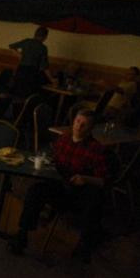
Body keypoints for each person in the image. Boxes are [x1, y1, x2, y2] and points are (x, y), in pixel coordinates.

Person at [8, 109, 108, 263]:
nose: (79, 126)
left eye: (84, 124)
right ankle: (22, 234)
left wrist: (86, 179)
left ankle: (84, 245)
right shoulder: (64, 139)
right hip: (60, 186)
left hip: (80, 192)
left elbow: (103, 180)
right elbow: (54, 160)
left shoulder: (95, 148)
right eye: (77, 122)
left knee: (94, 200)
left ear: (91, 128)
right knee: (36, 191)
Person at [9, 26, 55, 97]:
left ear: (35, 34)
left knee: (16, 93)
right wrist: (52, 79)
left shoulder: (27, 41)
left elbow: (11, 47)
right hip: (32, 74)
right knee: (27, 96)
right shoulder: (43, 48)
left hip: (21, 70)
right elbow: (44, 67)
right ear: (45, 37)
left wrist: (20, 56)